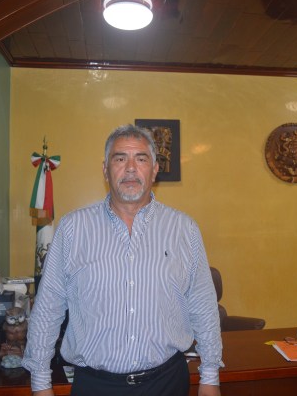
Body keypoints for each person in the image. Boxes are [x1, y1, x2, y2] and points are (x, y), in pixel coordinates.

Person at [22, 124, 223, 396]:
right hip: (96, 386)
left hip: (167, 383)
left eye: (141, 159)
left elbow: (203, 306)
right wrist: (40, 383)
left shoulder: (184, 229)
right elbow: (48, 308)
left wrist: (210, 375)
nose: (130, 168)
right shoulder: (73, 229)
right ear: (105, 170)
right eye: (120, 159)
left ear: (154, 170)